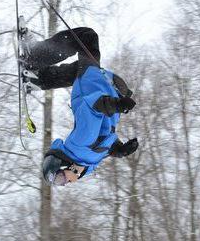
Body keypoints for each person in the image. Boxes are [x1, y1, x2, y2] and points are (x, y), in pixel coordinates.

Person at [24, 27, 139, 187]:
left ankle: (33, 55)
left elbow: (91, 109)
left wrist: (117, 105)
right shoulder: (86, 160)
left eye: (60, 178)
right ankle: (38, 79)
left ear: (64, 166)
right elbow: (102, 139)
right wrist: (118, 150)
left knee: (88, 37)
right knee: (78, 68)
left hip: (92, 87)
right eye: (59, 182)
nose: (64, 182)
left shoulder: (80, 144)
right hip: (101, 86)